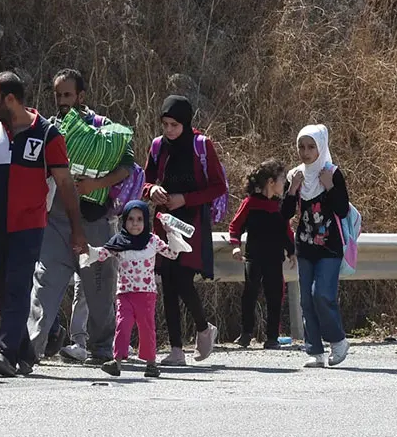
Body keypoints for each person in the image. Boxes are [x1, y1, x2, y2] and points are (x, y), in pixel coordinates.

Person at [0, 71, 87, 377]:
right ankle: (33, 345)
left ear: (10, 99)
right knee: (5, 289)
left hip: (29, 224)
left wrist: (77, 229)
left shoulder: (47, 134)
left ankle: (7, 353)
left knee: (18, 287)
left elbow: (65, 184)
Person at [27, 68, 135, 365]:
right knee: (44, 286)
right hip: (57, 220)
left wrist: (94, 185)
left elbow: (128, 165)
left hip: (95, 223)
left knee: (99, 291)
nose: (62, 101)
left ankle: (102, 349)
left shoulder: (103, 130)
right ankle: (30, 350)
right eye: (58, 95)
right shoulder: (48, 129)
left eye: (68, 95)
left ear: (81, 96)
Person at [142, 95, 224, 366]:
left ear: (186, 123)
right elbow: (146, 180)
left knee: (183, 280)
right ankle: (176, 350)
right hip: (164, 223)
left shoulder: (201, 146)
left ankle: (203, 328)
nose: (169, 130)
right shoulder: (158, 147)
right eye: (165, 124)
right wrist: (153, 190)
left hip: (191, 225)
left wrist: (185, 199)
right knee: (167, 280)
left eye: (174, 125)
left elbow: (217, 186)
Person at [281, 124, 350, 367]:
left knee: (321, 294)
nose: (306, 152)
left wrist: (329, 185)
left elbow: (342, 209)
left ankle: (338, 341)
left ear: (321, 147)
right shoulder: (295, 175)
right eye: (301, 146)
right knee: (306, 301)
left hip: (330, 246)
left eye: (311, 147)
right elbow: (285, 214)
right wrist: (292, 190)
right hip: (305, 245)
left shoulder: (332, 172)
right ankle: (316, 351)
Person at [84, 201, 180, 378]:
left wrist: (170, 233)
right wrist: (88, 251)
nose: (135, 223)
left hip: (146, 295)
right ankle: (117, 361)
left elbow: (172, 254)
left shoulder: (152, 241)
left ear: (146, 221)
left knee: (147, 328)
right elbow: (102, 254)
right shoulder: (119, 241)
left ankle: (151, 364)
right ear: (124, 221)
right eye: (130, 219)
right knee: (122, 326)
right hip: (125, 294)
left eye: (139, 219)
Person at [228, 159, 296, 349]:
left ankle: (272, 336)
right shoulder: (250, 203)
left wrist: (292, 251)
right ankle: (246, 333)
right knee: (249, 294)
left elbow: (286, 231)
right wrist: (235, 245)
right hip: (254, 256)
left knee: (275, 295)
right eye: (282, 179)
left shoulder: (281, 206)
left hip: (274, 258)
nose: (285, 183)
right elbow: (235, 225)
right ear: (271, 182)